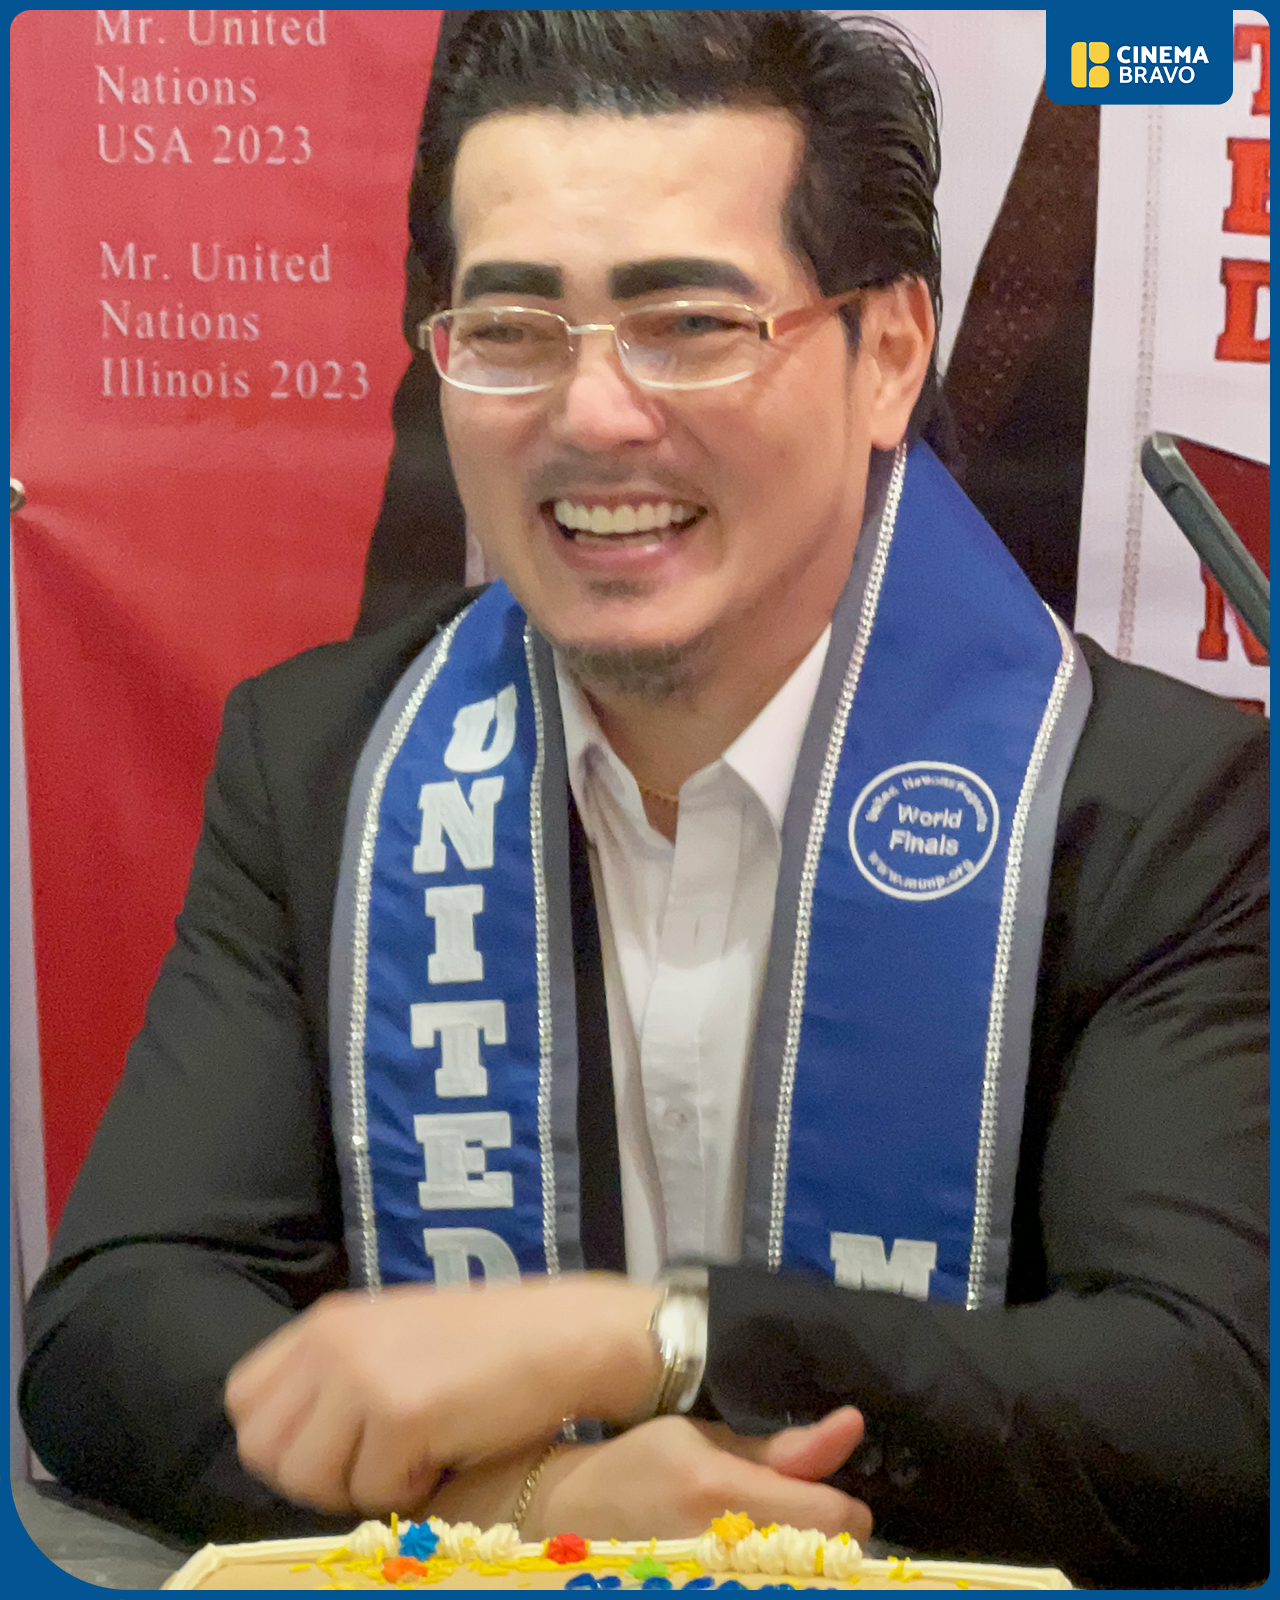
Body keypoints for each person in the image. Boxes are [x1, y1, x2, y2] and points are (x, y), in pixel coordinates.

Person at [21, 12, 1267, 1589]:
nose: (596, 414)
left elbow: (1213, 1411)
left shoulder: (1153, 804)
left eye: (688, 322)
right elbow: (112, 1325)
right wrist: (532, 1496)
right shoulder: (324, 765)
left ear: (890, 354)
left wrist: (648, 1338)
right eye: (513, 327)